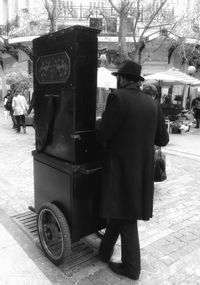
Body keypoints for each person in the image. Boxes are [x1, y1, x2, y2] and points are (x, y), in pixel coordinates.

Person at [96, 60, 169, 280]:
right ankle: (104, 252)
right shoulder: (153, 104)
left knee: (126, 216)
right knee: (121, 212)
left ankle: (131, 267)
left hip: (121, 169)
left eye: (118, 77)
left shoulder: (117, 97)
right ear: (137, 81)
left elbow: (103, 135)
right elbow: (162, 139)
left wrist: (101, 124)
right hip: (143, 171)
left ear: (123, 79)